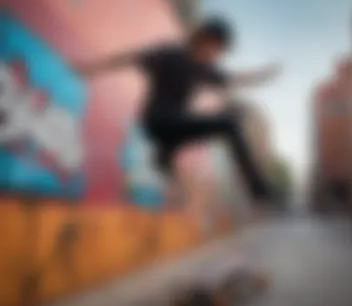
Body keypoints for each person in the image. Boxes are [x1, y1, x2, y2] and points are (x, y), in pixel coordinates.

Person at [76, 18, 282, 203]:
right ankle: (259, 189)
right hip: (157, 120)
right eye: (216, 48)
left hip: (174, 128)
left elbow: (232, 79)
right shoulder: (171, 54)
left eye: (220, 52)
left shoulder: (204, 69)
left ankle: (164, 158)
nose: (216, 56)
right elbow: (129, 58)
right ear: (203, 38)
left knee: (217, 122)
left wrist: (262, 75)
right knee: (229, 124)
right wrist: (89, 69)